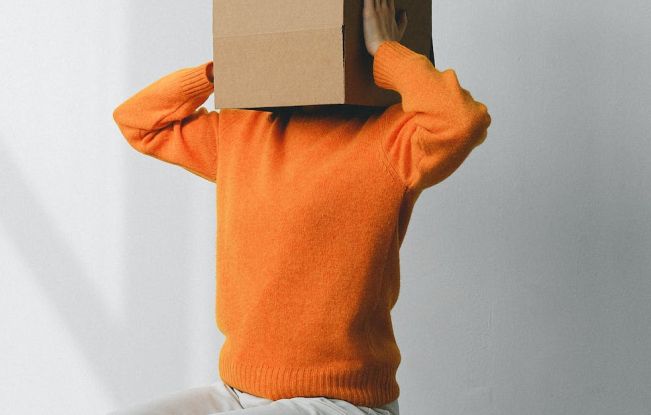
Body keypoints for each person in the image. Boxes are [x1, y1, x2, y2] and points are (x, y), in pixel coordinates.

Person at [108, 0, 491, 413]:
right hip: (237, 393)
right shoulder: (241, 131)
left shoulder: (394, 140)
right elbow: (138, 121)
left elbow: (462, 121)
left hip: (342, 401)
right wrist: (234, 63)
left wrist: (386, 51)